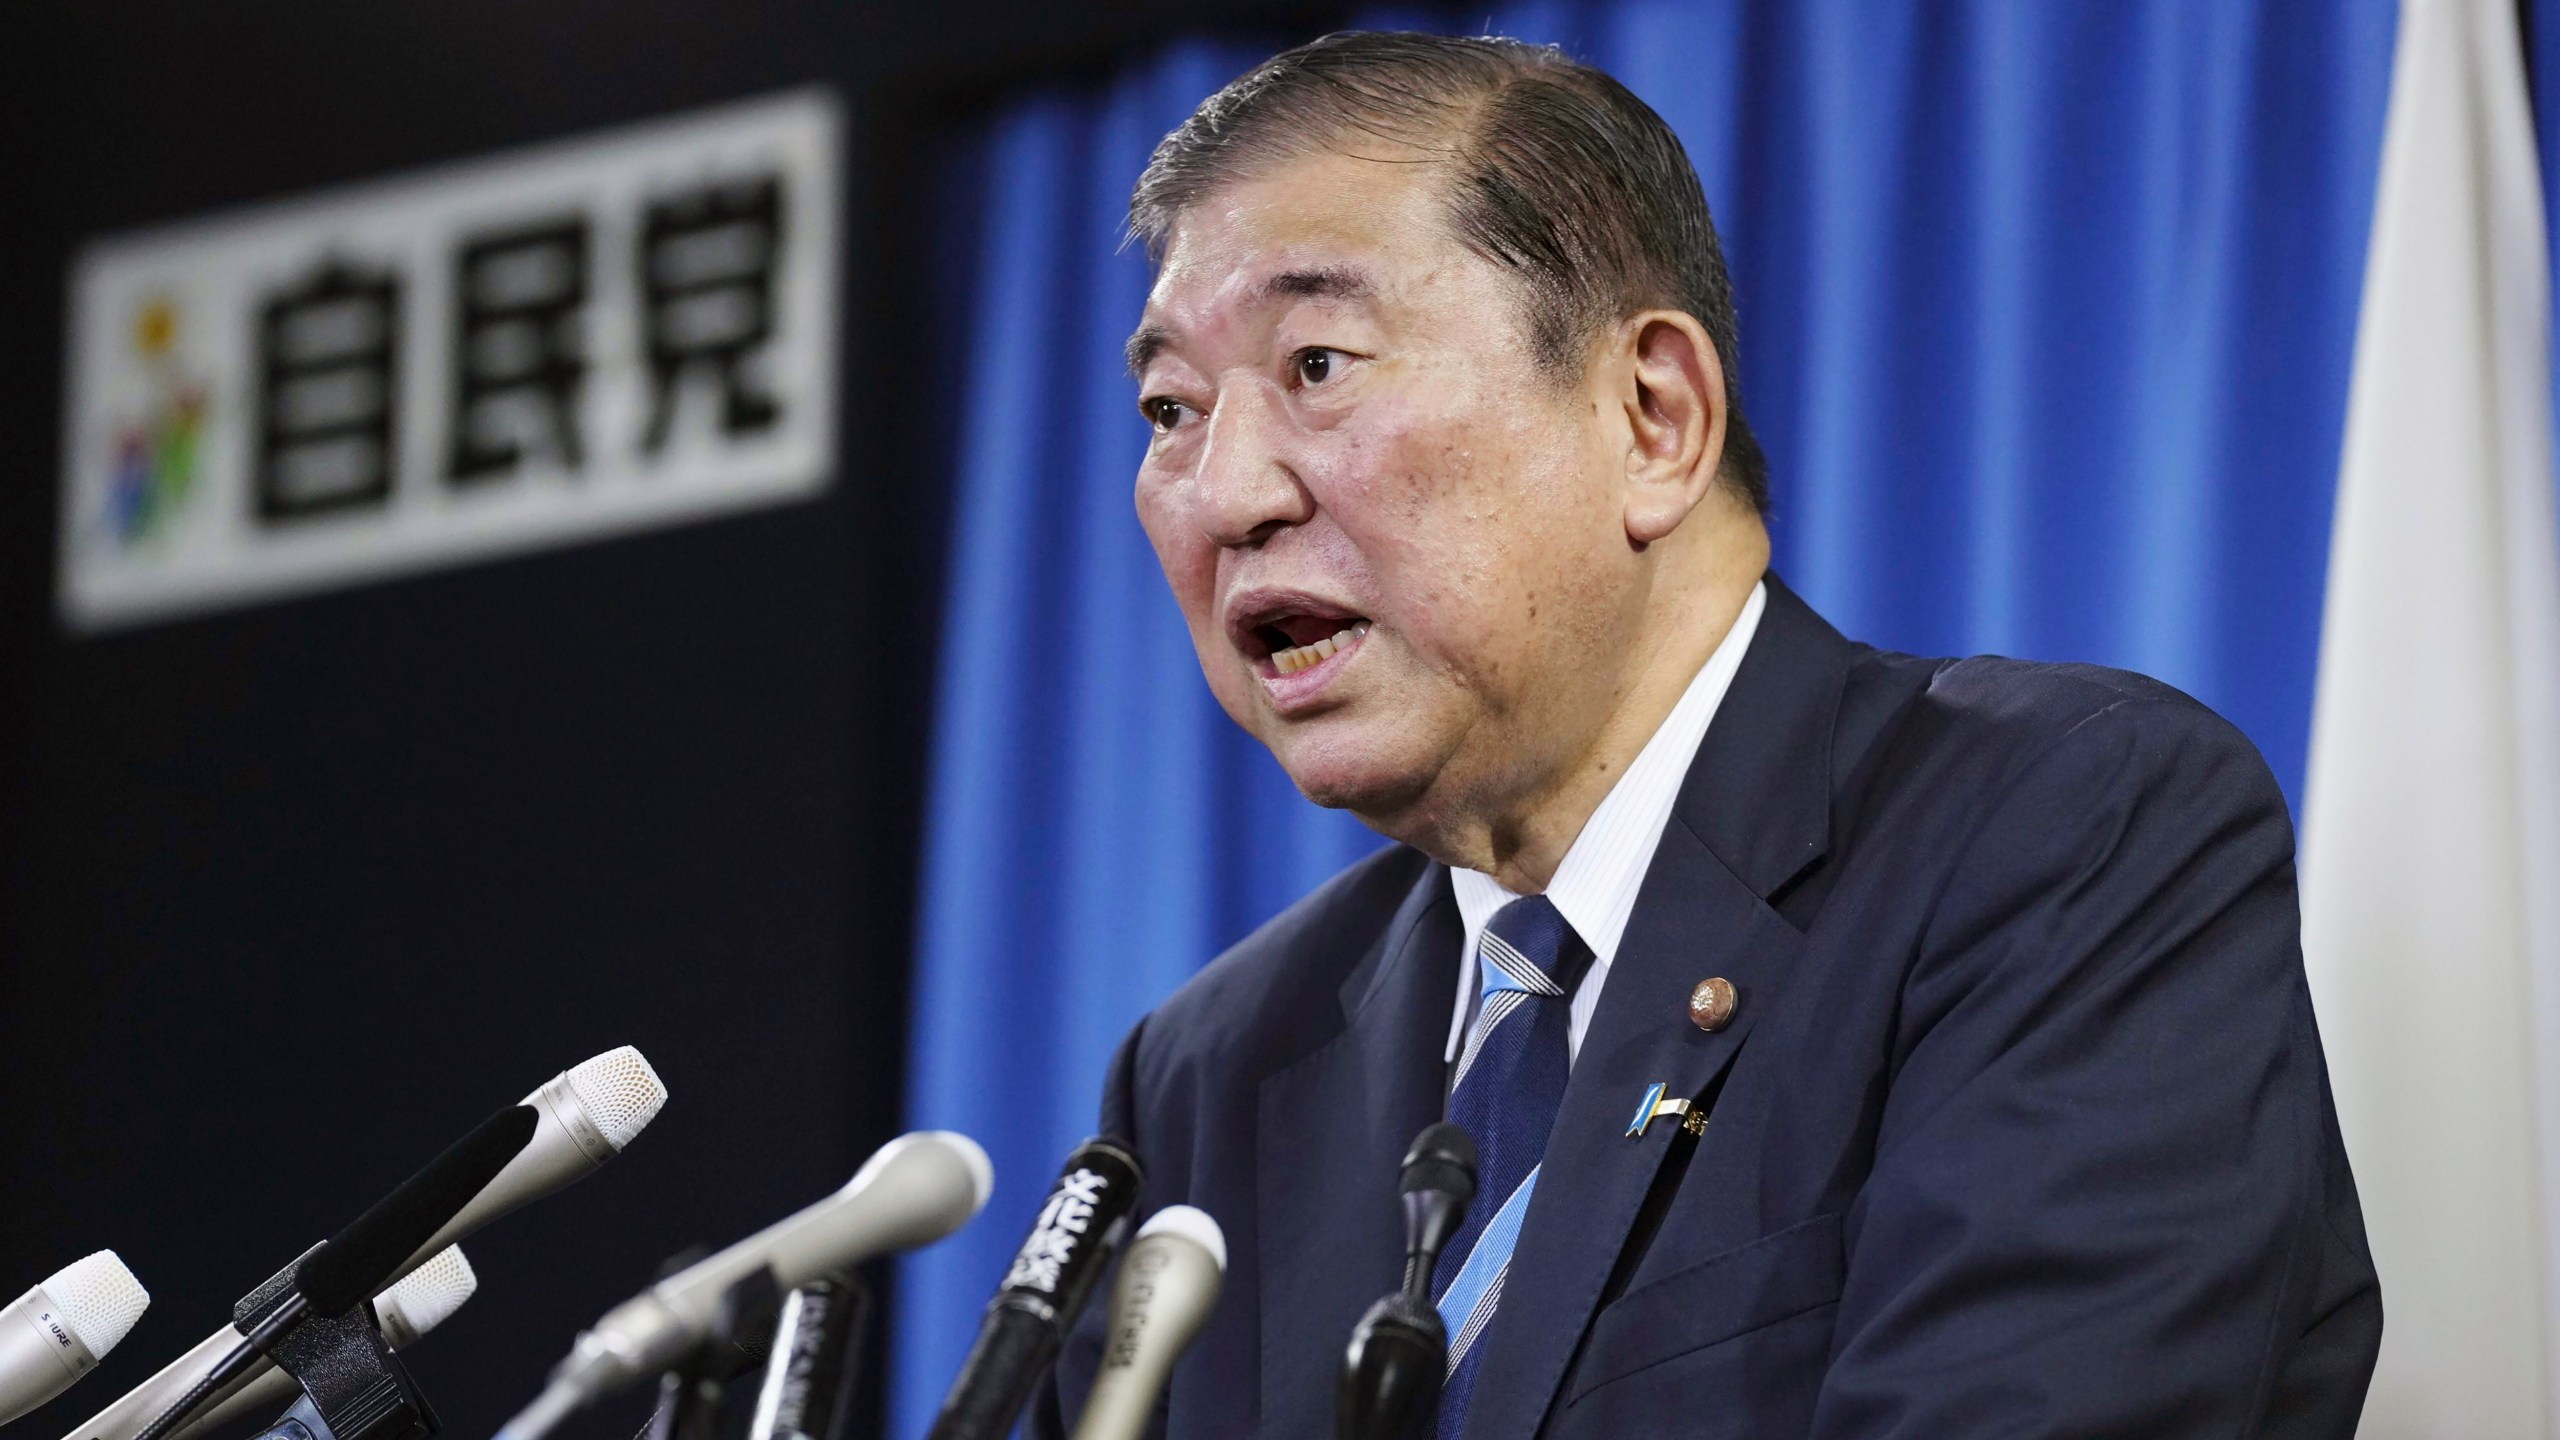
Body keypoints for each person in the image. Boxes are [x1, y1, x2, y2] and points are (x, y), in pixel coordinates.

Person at [1036, 31, 2379, 1439]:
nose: (1223, 490)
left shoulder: (2062, 835)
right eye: (1169, 409)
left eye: (1318, 362)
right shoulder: (1211, 1071)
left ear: (1654, 417)